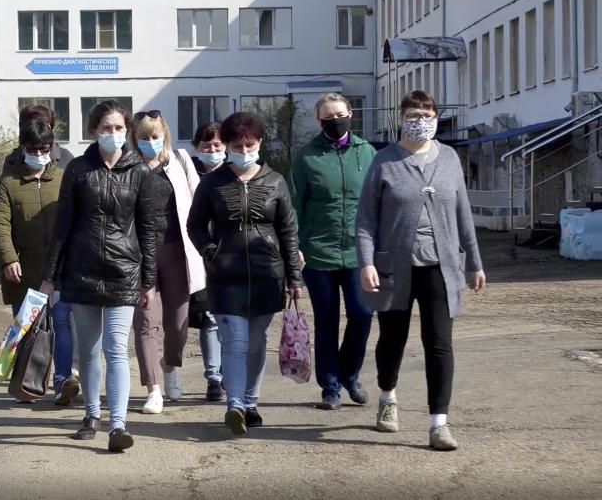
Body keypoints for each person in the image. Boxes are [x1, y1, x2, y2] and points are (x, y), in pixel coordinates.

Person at [356, 90, 485, 451]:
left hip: (441, 267)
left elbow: (463, 214)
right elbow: (365, 219)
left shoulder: (449, 159)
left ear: (436, 118)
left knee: (439, 343)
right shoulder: (384, 162)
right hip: (393, 267)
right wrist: (366, 261)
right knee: (392, 341)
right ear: (402, 118)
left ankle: (438, 423)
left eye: (428, 115)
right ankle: (387, 398)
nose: (422, 121)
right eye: (415, 114)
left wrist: (474, 262)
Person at [39, 100, 156, 452]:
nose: (113, 134)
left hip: (123, 273)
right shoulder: (77, 169)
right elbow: (63, 226)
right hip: (82, 272)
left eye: (119, 128)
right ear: (94, 131)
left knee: (116, 349)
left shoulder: (140, 172)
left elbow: (150, 229)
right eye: (106, 128)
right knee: (88, 352)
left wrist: (148, 280)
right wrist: (50, 276)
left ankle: (117, 424)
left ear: (127, 132)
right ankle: (91, 414)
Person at [187, 111, 302, 436]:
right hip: (226, 277)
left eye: (249, 144)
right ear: (227, 145)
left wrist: (294, 277)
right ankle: (235, 404)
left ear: (259, 143)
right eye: (236, 145)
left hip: (268, 275)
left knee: (256, 342)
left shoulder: (275, 181)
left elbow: (288, 231)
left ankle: (251, 402)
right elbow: (194, 224)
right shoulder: (213, 182)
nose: (243, 150)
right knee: (234, 342)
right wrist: (209, 250)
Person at [289, 93, 377, 410]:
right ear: (319, 121)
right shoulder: (307, 157)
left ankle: (349, 375)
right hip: (319, 253)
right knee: (326, 321)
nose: (335, 120)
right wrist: (295, 246)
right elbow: (294, 206)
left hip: (358, 254)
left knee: (363, 314)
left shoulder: (367, 153)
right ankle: (330, 387)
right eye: (328, 117)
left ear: (350, 114)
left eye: (339, 114)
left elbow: (376, 202)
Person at [0, 118, 78, 405]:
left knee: (62, 324)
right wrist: (8, 259)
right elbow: (0, 224)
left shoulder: (65, 178)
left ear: (52, 148)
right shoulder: (9, 182)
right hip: (24, 271)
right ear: (22, 148)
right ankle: (26, 383)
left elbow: (76, 221)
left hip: (60, 270)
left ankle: (63, 380)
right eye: (32, 148)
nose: (39, 154)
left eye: (44, 148)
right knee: (25, 328)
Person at [129, 110, 206, 414]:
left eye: (155, 135)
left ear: (164, 134)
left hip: (177, 251)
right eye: (144, 137)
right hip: (139, 255)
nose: (151, 141)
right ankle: (154, 389)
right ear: (135, 139)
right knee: (147, 324)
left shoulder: (180, 159)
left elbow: (200, 201)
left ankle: (170, 367)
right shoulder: (130, 166)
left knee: (178, 325)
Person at [189, 122, 226, 402]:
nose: (212, 151)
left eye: (217, 145)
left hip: (235, 256)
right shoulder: (189, 174)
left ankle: (230, 373)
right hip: (200, 255)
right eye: (206, 146)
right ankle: (214, 377)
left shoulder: (237, 174)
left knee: (231, 318)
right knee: (210, 318)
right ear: (197, 148)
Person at [1, 104, 74, 170]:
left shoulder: (65, 158)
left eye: (43, 127)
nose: (38, 132)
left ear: (51, 128)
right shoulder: (12, 160)